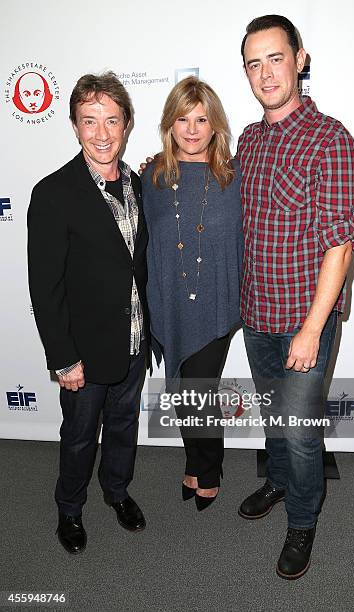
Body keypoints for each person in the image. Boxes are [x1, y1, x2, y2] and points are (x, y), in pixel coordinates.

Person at [237, 15, 354, 579]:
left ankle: (303, 520)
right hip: (257, 314)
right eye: (253, 63)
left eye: (275, 58)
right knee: (273, 417)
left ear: (300, 59)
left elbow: (340, 245)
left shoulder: (331, 140)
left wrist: (313, 329)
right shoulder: (248, 138)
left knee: (302, 433)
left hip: (303, 321)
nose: (265, 73)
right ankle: (279, 482)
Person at [27, 72, 151, 554]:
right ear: (75, 127)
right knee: (79, 437)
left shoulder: (138, 185)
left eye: (112, 121)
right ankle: (70, 509)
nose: (102, 133)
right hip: (82, 353)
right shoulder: (53, 193)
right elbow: (45, 286)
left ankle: (117, 493)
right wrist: (63, 358)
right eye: (89, 121)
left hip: (134, 344)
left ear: (126, 125)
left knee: (123, 429)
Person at [141, 77, 243, 511]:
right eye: (183, 118)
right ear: (170, 123)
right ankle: (194, 462)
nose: (192, 128)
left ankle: (211, 469)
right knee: (181, 393)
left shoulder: (235, 176)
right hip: (168, 302)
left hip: (217, 303)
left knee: (198, 393)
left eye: (202, 119)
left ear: (215, 124)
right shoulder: (152, 176)